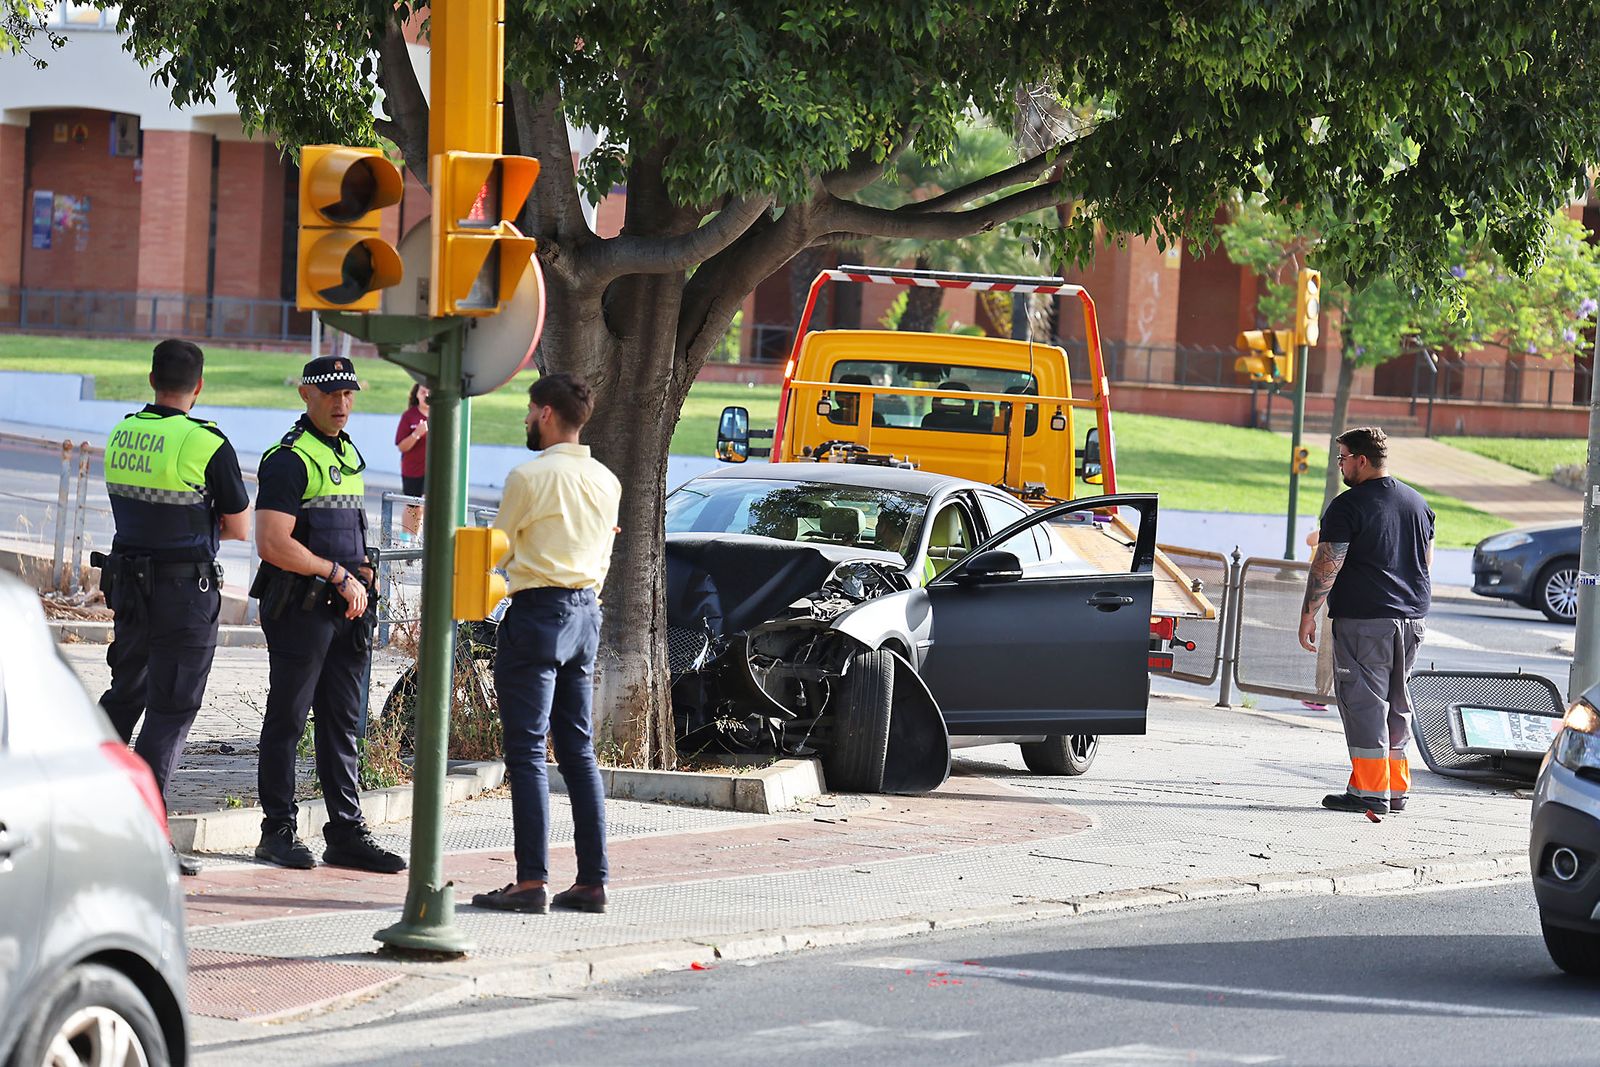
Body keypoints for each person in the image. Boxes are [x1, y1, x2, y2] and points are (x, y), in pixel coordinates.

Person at [99, 339, 250, 877]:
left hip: (130, 590)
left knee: (125, 693)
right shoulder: (205, 443)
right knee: (171, 709)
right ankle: (144, 833)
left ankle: (90, 808)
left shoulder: (122, 432)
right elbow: (238, 527)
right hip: (185, 595)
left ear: (151, 379)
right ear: (199, 386)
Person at [250, 356, 405, 873]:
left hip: (346, 609)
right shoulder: (288, 459)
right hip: (301, 608)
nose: (342, 403)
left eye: (349, 394)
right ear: (305, 395)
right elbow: (272, 543)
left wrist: (362, 571)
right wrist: (337, 573)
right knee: (289, 720)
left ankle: (345, 831)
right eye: (331, 394)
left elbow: (342, 530)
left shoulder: (344, 452)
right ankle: (278, 831)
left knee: (342, 722)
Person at [472, 373, 620, 914]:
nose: (527, 418)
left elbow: (499, 550)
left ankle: (531, 880)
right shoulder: (608, 481)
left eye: (531, 410)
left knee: (528, 751)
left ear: (548, 414)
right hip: (586, 612)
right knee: (579, 751)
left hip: (538, 613)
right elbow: (603, 553)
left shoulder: (528, 477)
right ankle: (591, 881)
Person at [1298, 426, 1435, 816]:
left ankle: (1371, 793)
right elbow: (1426, 564)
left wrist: (1309, 614)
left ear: (1361, 459)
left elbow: (1328, 565)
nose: (1340, 465)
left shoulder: (1347, 506)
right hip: (1411, 619)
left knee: (1364, 705)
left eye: (1342, 458)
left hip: (1365, 621)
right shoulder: (1418, 503)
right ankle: (1394, 788)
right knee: (1396, 704)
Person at [394, 383, 428, 541]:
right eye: (423, 391)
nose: (426, 394)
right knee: (412, 505)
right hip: (412, 469)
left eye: (430, 391)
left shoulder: (442, 416)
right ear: (417, 394)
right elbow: (401, 445)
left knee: (424, 504)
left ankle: (416, 539)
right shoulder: (409, 416)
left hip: (433, 470)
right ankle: (405, 540)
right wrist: (416, 434)